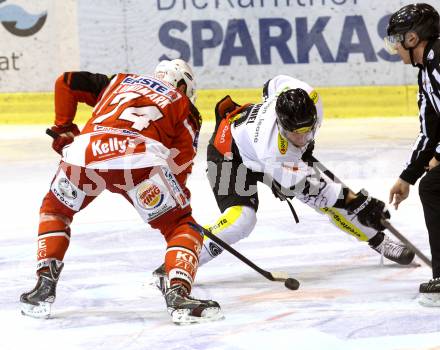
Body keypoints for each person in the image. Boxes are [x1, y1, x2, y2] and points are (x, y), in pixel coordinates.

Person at [20, 59, 223, 324]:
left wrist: (63, 127)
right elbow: (180, 162)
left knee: (55, 210)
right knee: (182, 227)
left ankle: (44, 285)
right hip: (140, 161)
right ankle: (178, 294)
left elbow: (66, 82)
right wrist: (177, 205)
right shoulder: (184, 106)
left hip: (86, 154)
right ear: (183, 86)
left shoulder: (118, 81)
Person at [198, 75, 417, 268]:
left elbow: (271, 84)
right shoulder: (273, 151)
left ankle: (378, 240)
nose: (302, 139)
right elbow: (324, 193)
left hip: (258, 145)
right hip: (227, 154)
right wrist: (359, 202)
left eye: (307, 130)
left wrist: (356, 201)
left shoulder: (310, 97)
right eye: (295, 134)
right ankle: (187, 256)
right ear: (282, 125)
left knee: (327, 199)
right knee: (242, 220)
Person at [386, 3, 440, 306]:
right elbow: (430, 132)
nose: (395, 47)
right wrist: (407, 176)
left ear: (413, 38)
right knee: (432, 184)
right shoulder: (426, 71)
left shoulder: (439, 60)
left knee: (434, 187)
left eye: (398, 38)